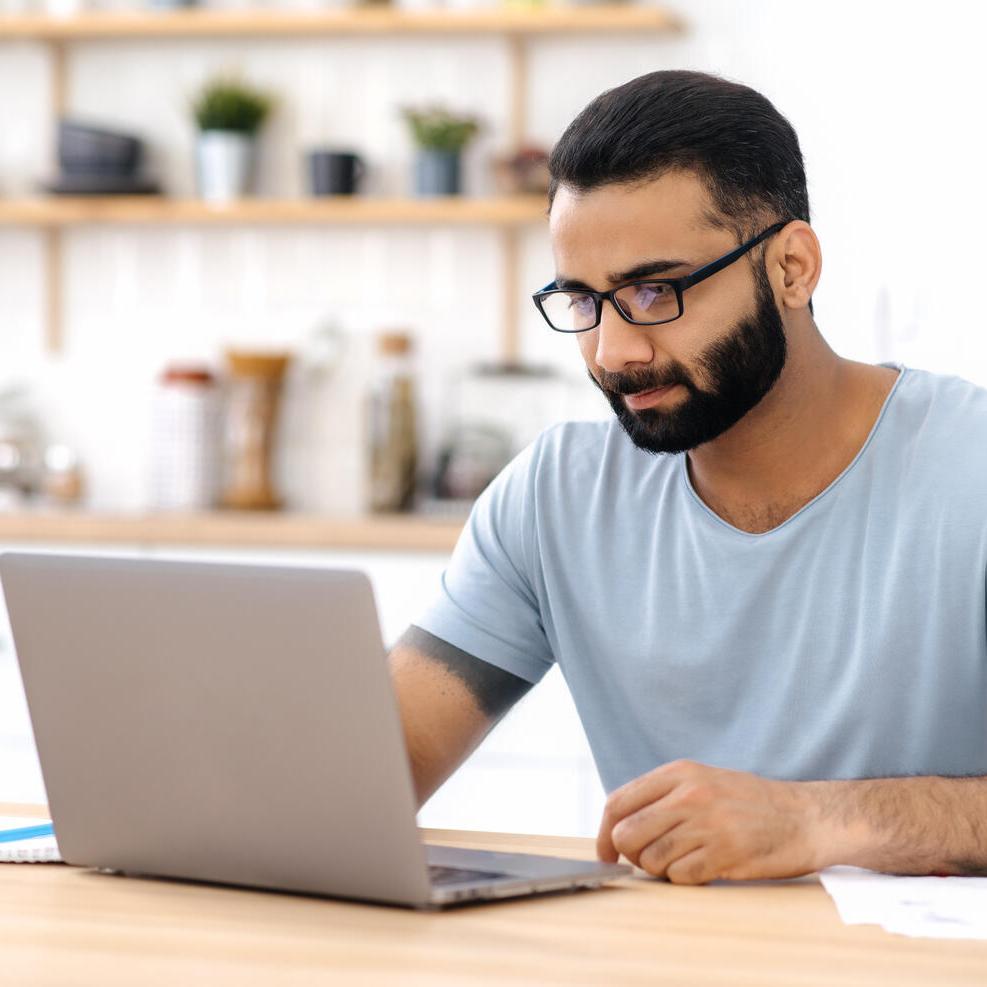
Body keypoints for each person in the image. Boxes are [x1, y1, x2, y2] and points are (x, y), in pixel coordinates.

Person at [388, 70, 987, 885]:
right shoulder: (555, 499)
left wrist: (814, 820)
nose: (612, 352)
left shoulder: (969, 468)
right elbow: (374, 765)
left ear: (791, 268)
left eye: (652, 290)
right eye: (583, 301)